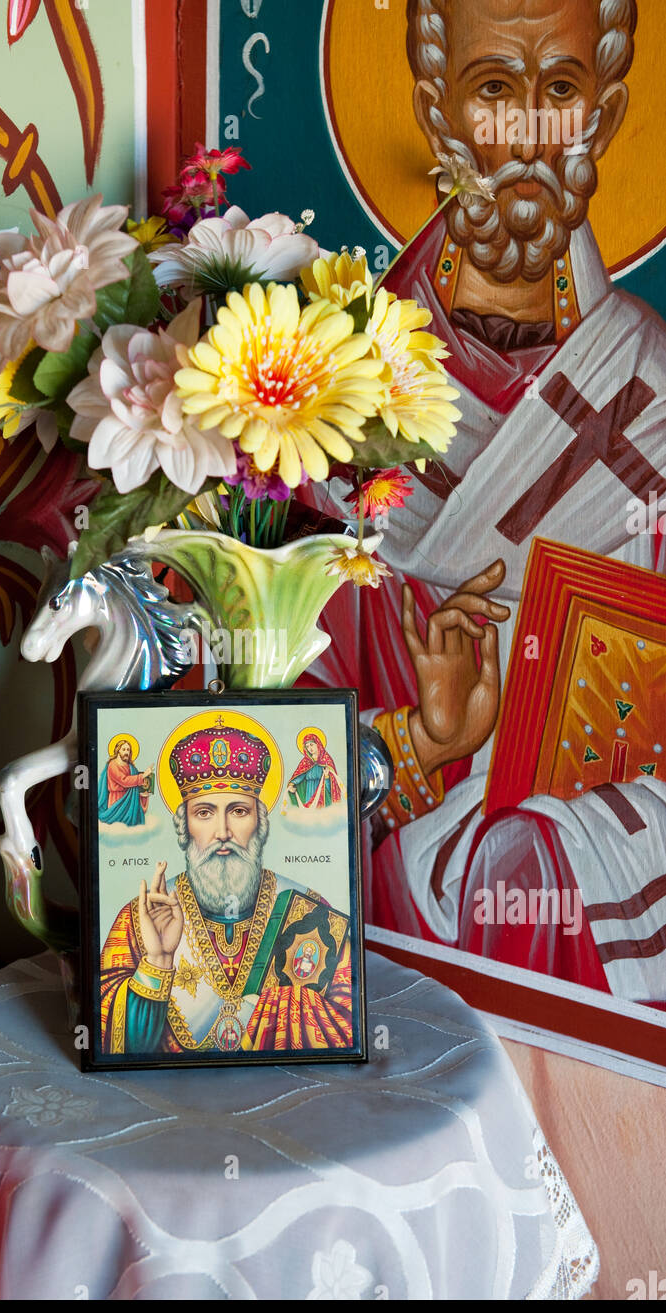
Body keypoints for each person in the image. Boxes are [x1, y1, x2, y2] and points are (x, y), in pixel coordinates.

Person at [307, 0, 666, 1003]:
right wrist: (422, 746)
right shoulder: (331, 390)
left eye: (558, 91)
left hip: (585, 823)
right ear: (436, 110)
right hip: (386, 830)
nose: (526, 134)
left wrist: (551, 816)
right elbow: (260, 723)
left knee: (529, 867)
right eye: (493, 90)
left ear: (604, 111)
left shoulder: (654, 392)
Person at [99, 719, 353, 1054]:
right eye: (204, 813)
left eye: (238, 811)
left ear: (259, 823)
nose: (223, 831)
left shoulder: (310, 914)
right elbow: (122, 1051)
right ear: (184, 826)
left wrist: (291, 1006)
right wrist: (158, 960)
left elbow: (345, 1029)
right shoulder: (139, 919)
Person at [97, 737, 153, 826]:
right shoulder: (113, 765)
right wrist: (143, 776)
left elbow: (135, 785)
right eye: (123, 749)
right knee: (118, 827)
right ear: (118, 750)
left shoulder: (131, 767)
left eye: (128, 750)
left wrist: (143, 794)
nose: (126, 752)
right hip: (116, 802)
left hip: (130, 802)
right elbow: (124, 781)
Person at [287, 731, 343, 807]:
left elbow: (332, 784)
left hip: (322, 792)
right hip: (309, 792)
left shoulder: (326, 760)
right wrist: (291, 784)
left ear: (318, 744)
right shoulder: (306, 761)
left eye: (311, 745)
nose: (310, 748)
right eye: (307, 746)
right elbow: (300, 776)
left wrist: (326, 776)